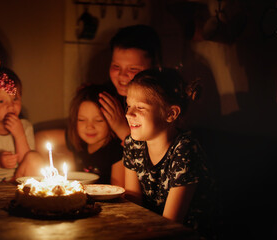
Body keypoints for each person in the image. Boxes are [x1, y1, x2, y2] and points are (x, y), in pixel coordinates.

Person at [123, 68, 217, 238]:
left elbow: (171, 224)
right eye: (129, 105)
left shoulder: (185, 150)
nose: (128, 113)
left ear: (171, 113)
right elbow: (133, 206)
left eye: (140, 107)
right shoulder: (133, 144)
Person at [99, 24, 162, 143]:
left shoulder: (160, 106)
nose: (122, 75)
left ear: (154, 68)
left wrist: (121, 129)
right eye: (116, 66)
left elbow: (150, 157)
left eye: (133, 69)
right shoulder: (106, 96)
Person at [67, 84, 124, 187]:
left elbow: (119, 191)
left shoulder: (116, 151)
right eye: (82, 120)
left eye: (98, 120)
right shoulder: (77, 143)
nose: (89, 127)